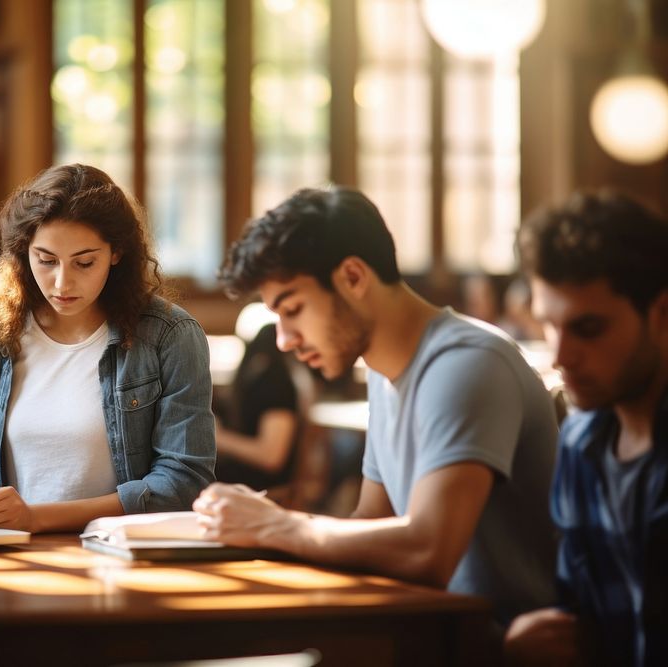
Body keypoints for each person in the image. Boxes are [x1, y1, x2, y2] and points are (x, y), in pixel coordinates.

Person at [193, 186, 558, 627]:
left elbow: (427, 550)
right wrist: (253, 525)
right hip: (423, 630)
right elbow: (369, 521)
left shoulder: (467, 363)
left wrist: (276, 526)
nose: (286, 340)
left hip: (498, 645)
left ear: (352, 276)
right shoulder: (387, 376)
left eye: (293, 310)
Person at [0, 163, 215, 533]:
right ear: (24, 252)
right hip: (9, 551)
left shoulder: (169, 334)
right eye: (46, 260)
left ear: (116, 252)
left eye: (85, 262)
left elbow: (183, 483)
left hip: (117, 555)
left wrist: (37, 518)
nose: (62, 282)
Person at [505, 192, 668, 667]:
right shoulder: (580, 444)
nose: (560, 356)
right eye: (549, 325)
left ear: (661, 314)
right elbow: (577, 623)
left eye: (589, 328)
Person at [214, 322, 301, 491]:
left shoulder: (276, 382)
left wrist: (218, 439)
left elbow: (271, 456)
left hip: (263, 489)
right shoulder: (272, 376)